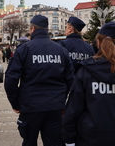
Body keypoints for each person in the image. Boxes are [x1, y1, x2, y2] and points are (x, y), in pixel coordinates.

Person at [4, 15, 74, 146]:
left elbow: (10, 80)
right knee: (54, 142)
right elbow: (71, 80)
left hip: (31, 107)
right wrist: (63, 103)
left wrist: (16, 103)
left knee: (29, 141)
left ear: (32, 29)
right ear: (47, 29)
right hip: (54, 106)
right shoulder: (61, 50)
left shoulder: (24, 49)